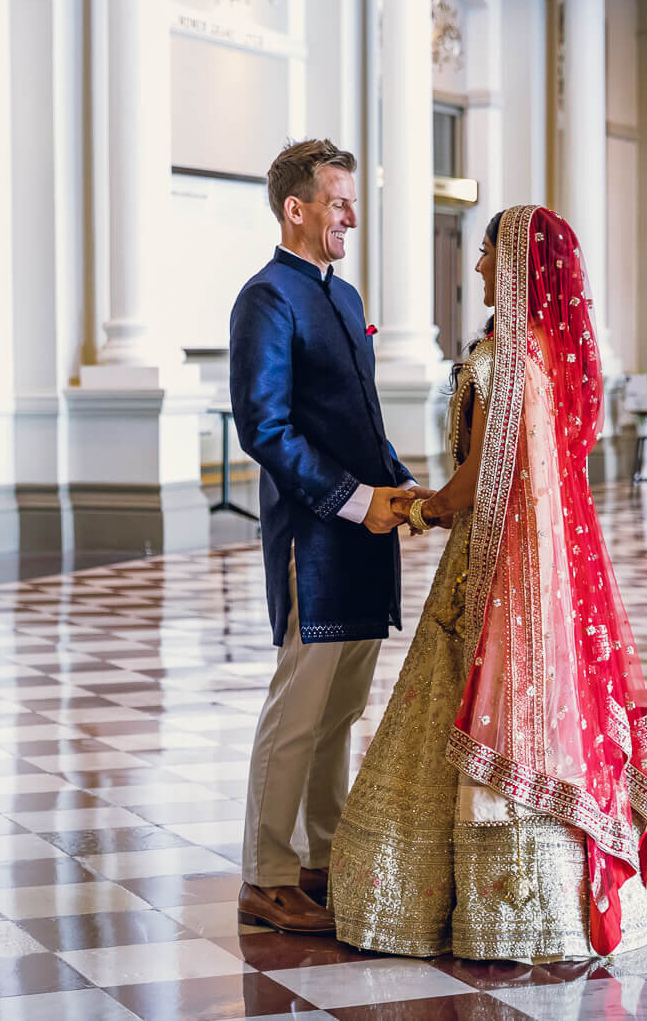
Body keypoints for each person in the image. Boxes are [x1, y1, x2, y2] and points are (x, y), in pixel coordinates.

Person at [328, 205, 647, 961]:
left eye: (485, 255)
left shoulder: (510, 356)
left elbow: (484, 473)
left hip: (493, 559)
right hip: (540, 559)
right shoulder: (548, 352)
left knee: (472, 694)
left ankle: (482, 905)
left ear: (515, 267)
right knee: (535, 698)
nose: (478, 267)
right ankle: (550, 901)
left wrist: (426, 506)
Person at [229, 139, 431, 934]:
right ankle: (266, 874)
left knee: (341, 708)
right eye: (339, 200)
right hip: (310, 538)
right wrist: (356, 500)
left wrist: (405, 490)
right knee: (298, 708)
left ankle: (322, 856)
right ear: (297, 208)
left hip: (362, 531)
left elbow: (360, 424)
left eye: (350, 200)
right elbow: (266, 431)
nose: (351, 215)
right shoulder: (266, 299)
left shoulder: (342, 299)